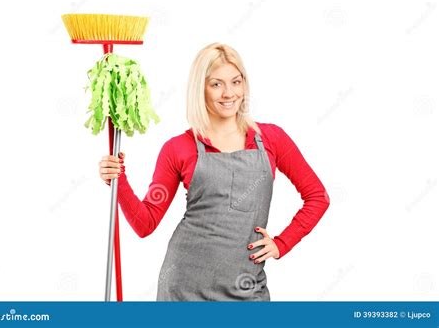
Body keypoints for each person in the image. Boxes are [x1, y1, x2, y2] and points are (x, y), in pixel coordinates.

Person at [98, 42, 330, 301]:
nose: (229, 93)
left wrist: (281, 244)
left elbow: (317, 197)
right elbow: (145, 223)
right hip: (184, 289)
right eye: (216, 84)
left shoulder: (272, 139)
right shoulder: (178, 148)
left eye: (236, 82)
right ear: (201, 89)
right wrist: (119, 181)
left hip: (247, 288)